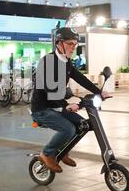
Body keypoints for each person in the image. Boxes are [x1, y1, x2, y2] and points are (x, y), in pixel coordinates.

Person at [30, 27, 110, 173]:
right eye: (70, 44)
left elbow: (80, 78)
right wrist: (67, 105)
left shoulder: (66, 61)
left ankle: (62, 150)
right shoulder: (47, 61)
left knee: (82, 125)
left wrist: (99, 92)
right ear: (59, 43)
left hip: (57, 106)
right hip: (42, 109)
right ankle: (47, 153)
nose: (73, 47)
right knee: (68, 129)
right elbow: (49, 89)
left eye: (75, 44)